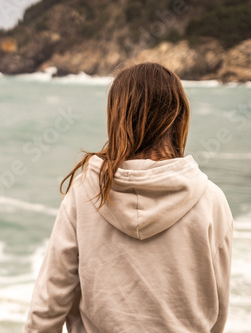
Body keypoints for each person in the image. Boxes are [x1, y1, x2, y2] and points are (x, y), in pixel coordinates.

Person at [23, 62, 233, 333]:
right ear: (178, 116)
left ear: (117, 116)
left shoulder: (86, 192)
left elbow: (49, 304)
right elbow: (217, 308)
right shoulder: (211, 199)